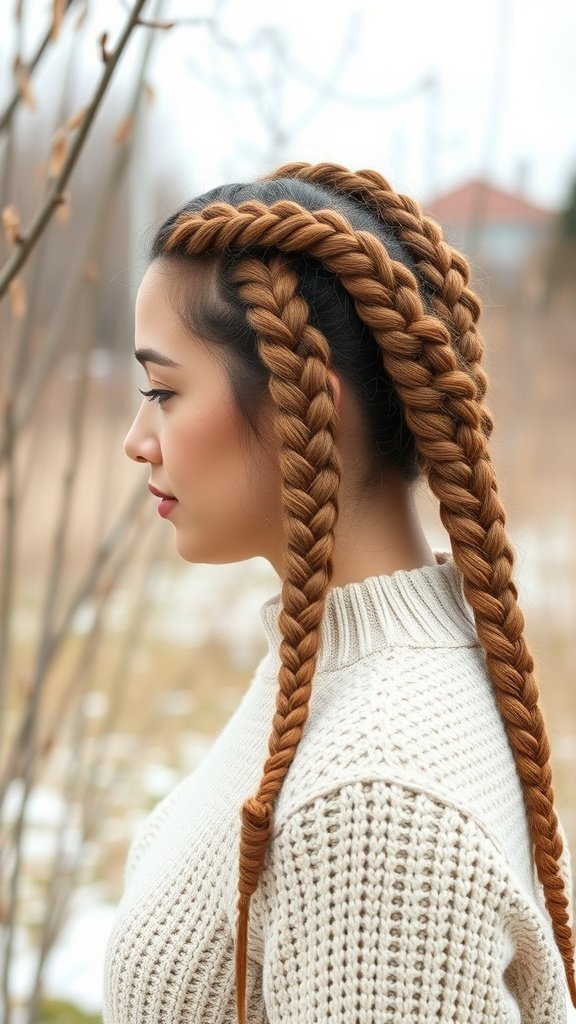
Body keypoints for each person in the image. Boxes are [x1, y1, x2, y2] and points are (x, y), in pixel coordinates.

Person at [103, 161, 575, 1023]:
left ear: (301, 401)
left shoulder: (373, 807)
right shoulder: (334, 665)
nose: (137, 440)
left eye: (164, 392)